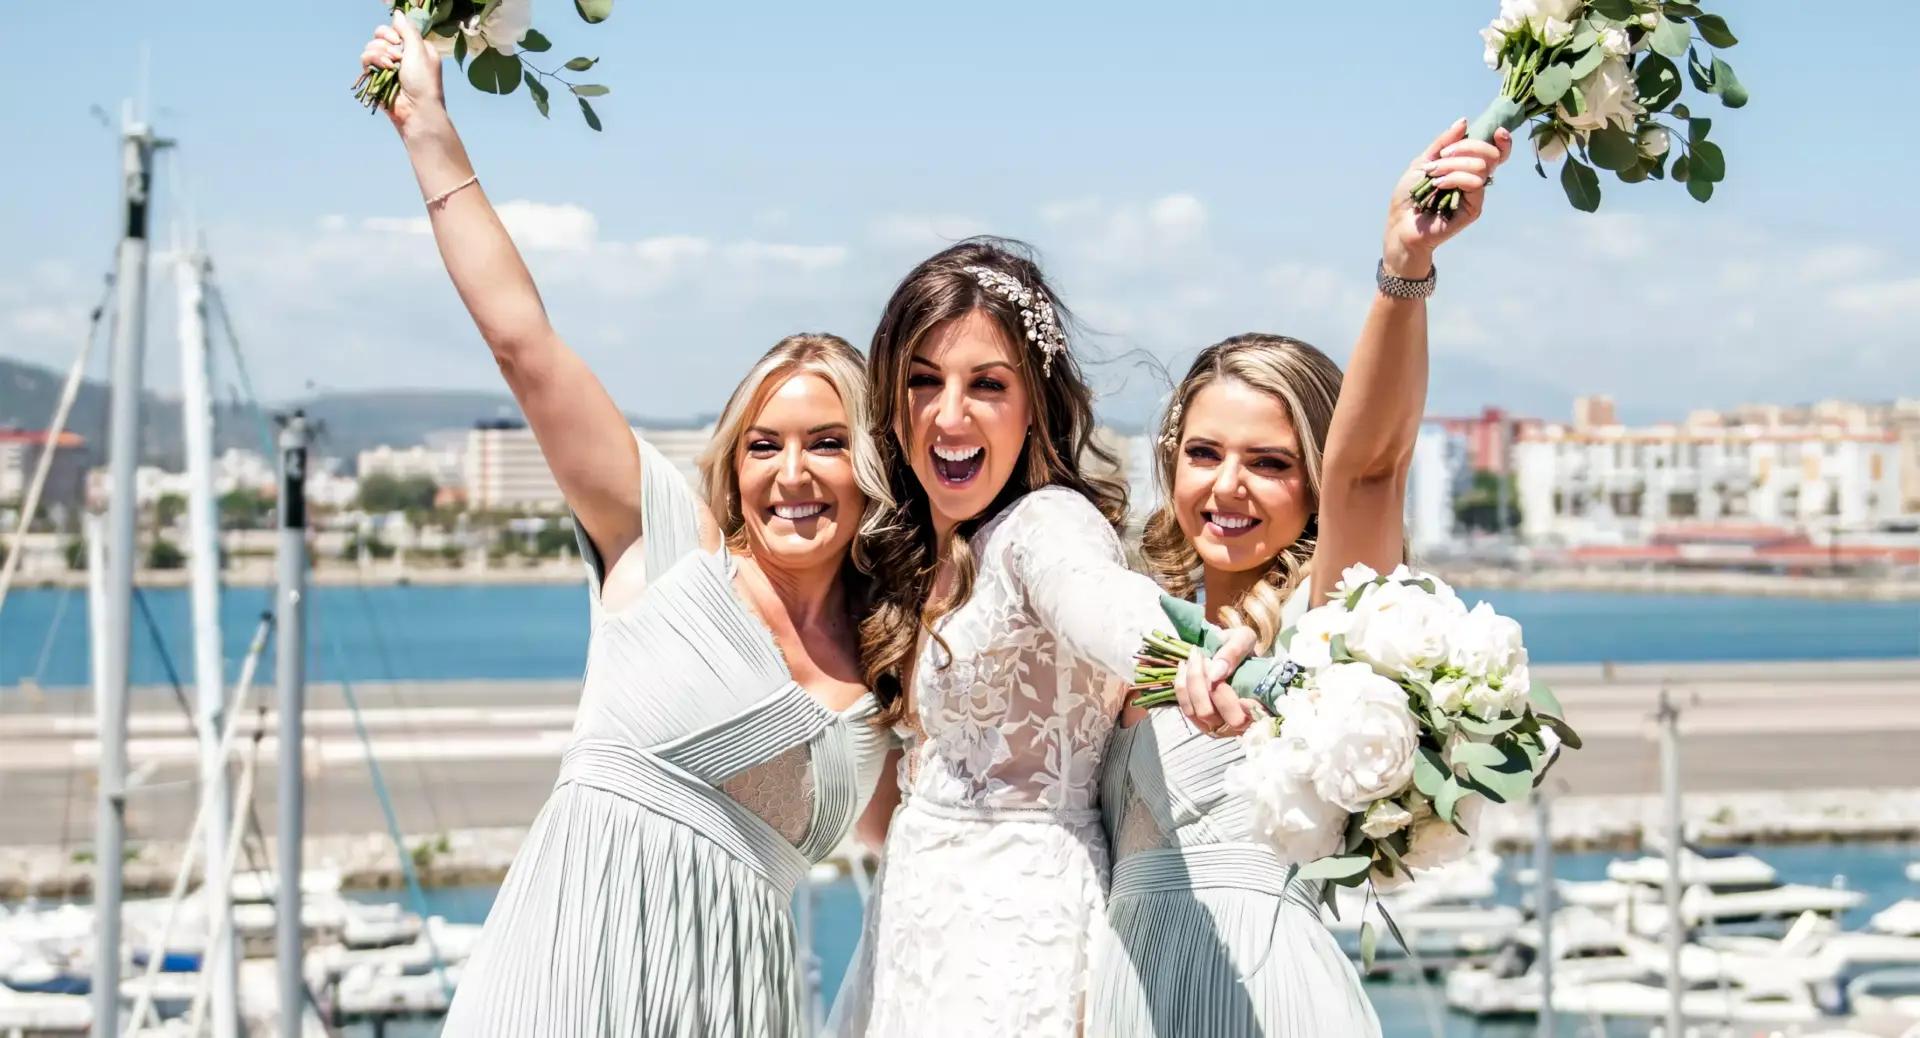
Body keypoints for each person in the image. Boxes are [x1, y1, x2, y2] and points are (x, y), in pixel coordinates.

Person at [360, 18, 894, 1035]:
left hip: (743, 1010)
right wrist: (426, 125)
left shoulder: (893, 651)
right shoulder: (667, 542)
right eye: (764, 445)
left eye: (827, 442)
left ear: (869, 465)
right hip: (561, 992)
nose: (793, 474)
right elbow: (524, 342)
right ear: (733, 461)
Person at [1090, 118, 1512, 1036]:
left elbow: (1372, 468)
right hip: (1126, 999)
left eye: (1270, 463)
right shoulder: (1124, 628)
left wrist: (1404, 268)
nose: (1228, 486)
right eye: (1204, 453)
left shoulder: (1327, 623)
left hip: (1267, 994)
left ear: (1311, 482)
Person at [829, 239, 1257, 1036]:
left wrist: (1177, 657)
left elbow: (1099, 601)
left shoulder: (1047, 526)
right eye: (923, 382)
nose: (949, 416)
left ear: (1035, 406)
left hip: (1015, 927)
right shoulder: (928, 555)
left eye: (986, 386)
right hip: (914, 920)